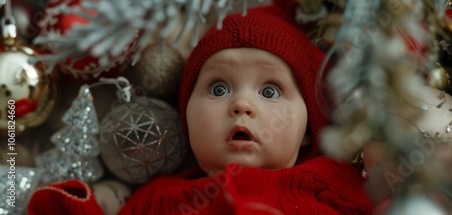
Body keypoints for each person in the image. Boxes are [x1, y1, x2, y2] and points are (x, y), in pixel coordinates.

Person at [28, 0, 373, 214]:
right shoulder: (160, 199)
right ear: (186, 116)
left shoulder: (329, 184)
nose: (241, 104)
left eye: (270, 91)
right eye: (218, 88)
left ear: (307, 132)